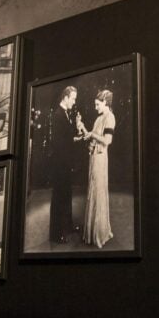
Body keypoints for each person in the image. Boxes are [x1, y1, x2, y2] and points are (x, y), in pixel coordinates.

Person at [78, 90, 116, 248]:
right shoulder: (98, 118)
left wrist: (92, 135)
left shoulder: (110, 118)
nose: (95, 107)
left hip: (100, 159)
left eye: (97, 104)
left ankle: (99, 234)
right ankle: (92, 234)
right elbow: (91, 137)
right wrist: (82, 127)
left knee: (98, 193)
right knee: (93, 192)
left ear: (105, 102)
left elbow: (107, 140)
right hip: (93, 158)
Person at [49, 86, 80, 243]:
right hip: (60, 165)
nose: (74, 102)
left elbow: (66, 138)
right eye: (73, 99)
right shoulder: (57, 115)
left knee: (67, 195)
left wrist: (74, 138)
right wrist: (71, 140)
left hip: (65, 164)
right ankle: (55, 234)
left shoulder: (66, 114)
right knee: (59, 197)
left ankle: (67, 226)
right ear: (66, 97)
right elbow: (57, 143)